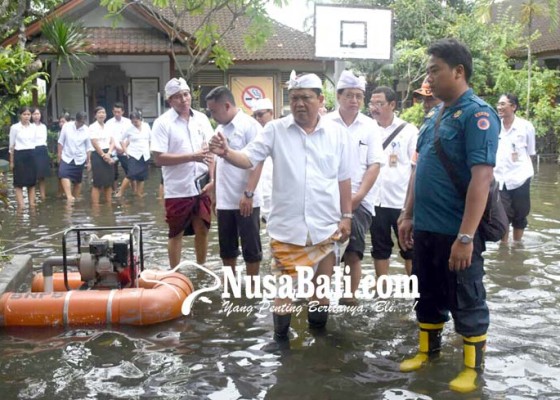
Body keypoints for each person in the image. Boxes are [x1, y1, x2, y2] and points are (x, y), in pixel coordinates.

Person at [209, 71, 352, 351]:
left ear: (320, 100)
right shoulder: (275, 130)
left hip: (325, 225)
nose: (299, 104)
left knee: (321, 289)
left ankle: (319, 341)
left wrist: (347, 215)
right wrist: (226, 153)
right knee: (284, 290)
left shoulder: (337, 133)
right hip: (287, 226)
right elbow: (249, 158)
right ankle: (281, 343)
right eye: (295, 98)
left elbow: (343, 178)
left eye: (306, 98)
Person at [397, 38, 499, 393]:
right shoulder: (432, 116)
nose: (430, 78)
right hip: (425, 228)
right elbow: (418, 168)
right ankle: (428, 352)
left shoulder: (478, 114)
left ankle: (472, 368)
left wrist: (466, 236)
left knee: (467, 298)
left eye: (434, 70)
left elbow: (481, 178)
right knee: (426, 294)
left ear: (458, 71)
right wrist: (407, 214)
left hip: (457, 232)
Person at [325, 71, 384, 303]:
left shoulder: (370, 126)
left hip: (360, 199)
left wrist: (357, 197)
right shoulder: (325, 123)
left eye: (359, 96)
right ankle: (320, 297)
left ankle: (349, 297)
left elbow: (375, 164)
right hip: (327, 199)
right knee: (324, 249)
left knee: (354, 250)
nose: (354, 101)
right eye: (349, 95)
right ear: (338, 96)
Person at [151, 77, 215, 268]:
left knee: (202, 228)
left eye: (186, 94)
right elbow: (158, 158)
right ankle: (174, 272)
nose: (184, 99)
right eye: (177, 97)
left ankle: (202, 268)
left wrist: (212, 178)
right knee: (175, 232)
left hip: (202, 184)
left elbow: (211, 151)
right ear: (170, 101)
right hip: (178, 187)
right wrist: (191, 157)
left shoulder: (202, 119)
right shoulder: (162, 123)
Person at [206, 86, 264, 279]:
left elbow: (257, 162)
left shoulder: (250, 126)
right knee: (227, 248)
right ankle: (230, 288)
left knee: (251, 247)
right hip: (225, 199)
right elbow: (217, 161)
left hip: (245, 198)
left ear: (227, 105)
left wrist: (248, 193)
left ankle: (253, 289)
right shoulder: (220, 128)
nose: (212, 115)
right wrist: (214, 193)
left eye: (214, 111)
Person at [369, 86, 418, 277]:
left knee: (410, 247)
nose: (374, 107)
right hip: (375, 201)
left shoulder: (409, 131)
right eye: (372, 103)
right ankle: (381, 287)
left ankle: (415, 289)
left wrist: (410, 205)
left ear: (392, 104)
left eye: (379, 103)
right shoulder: (367, 129)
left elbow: (416, 166)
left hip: (401, 202)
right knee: (379, 247)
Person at [494, 93, 536, 243]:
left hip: (520, 178)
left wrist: (522, 172)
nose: (499, 107)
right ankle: (503, 247)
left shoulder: (525, 126)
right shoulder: (494, 126)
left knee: (520, 214)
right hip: (499, 179)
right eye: (498, 104)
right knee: (502, 215)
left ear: (513, 107)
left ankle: (517, 246)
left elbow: (530, 153)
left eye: (503, 104)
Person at [57, 111, 92, 202]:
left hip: (80, 158)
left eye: (83, 122)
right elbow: (61, 142)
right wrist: (59, 155)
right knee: (63, 174)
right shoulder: (67, 126)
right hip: (67, 156)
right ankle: (69, 197)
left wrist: (88, 162)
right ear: (76, 120)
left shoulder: (86, 129)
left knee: (77, 180)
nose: (81, 124)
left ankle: (74, 198)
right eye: (80, 122)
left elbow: (88, 147)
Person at [116, 111, 151, 198]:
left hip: (145, 154)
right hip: (134, 154)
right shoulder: (129, 129)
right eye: (133, 121)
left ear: (140, 119)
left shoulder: (146, 126)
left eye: (136, 121)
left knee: (142, 176)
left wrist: (150, 149)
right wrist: (125, 151)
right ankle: (120, 193)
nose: (134, 123)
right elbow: (121, 140)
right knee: (131, 174)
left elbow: (150, 138)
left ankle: (139, 194)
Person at [251, 98, 275, 223]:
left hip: (275, 188)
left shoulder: (281, 132)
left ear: (271, 113)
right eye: (255, 116)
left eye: (260, 114)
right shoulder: (253, 133)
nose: (257, 118)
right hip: (258, 188)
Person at [9, 106, 37, 209]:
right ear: (20, 115)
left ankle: (32, 204)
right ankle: (21, 205)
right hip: (19, 155)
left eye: (28, 114)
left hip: (31, 154)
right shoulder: (15, 127)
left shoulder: (34, 127)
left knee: (32, 181)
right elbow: (11, 146)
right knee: (19, 182)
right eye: (24, 114)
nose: (26, 116)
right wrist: (11, 161)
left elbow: (35, 142)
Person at [89, 106, 115, 205]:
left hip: (108, 153)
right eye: (99, 113)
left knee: (109, 181)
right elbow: (94, 142)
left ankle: (109, 203)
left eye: (103, 112)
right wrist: (103, 155)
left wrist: (109, 153)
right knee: (97, 182)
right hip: (97, 154)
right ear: (95, 115)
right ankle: (96, 206)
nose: (101, 115)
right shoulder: (92, 127)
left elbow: (112, 141)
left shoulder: (108, 126)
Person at [105, 102, 132, 192]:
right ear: (112, 111)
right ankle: (115, 191)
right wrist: (117, 147)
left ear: (123, 112)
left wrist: (123, 148)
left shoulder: (128, 122)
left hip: (125, 150)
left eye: (119, 112)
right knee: (113, 173)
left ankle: (134, 191)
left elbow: (131, 136)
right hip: (113, 150)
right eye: (115, 112)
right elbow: (109, 137)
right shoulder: (109, 123)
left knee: (130, 172)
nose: (117, 114)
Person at [31, 107, 51, 201]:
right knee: (33, 175)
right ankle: (33, 197)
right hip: (32, 150)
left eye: (38, 114)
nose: (36, 116)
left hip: (42, 150)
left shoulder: (43, 126)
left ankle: (43, 196)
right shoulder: (29, 126)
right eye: (34, 114)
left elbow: (44, 139)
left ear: (41, 115)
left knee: (42, 176)